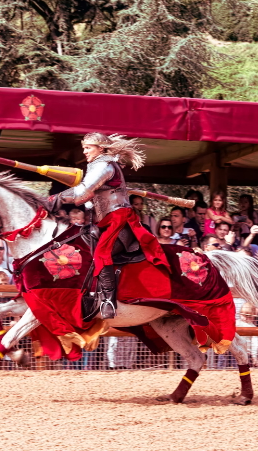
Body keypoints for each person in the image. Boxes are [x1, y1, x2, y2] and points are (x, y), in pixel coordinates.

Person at [47, 132, 169, 319]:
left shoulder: (104, 166)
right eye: (84, 148)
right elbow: (89, 198)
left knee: (101, 252)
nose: (85, 152)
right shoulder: (97, 165)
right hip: (103, 219)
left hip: (118, 219)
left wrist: (57, 198)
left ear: (100, 148)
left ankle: (107, 300)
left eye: (88, 148)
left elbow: (82, 192)